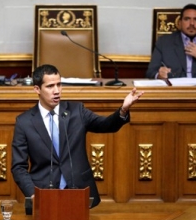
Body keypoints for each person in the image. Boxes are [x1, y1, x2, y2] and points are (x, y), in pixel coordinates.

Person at [11, 64, 144, 208]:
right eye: (50, 86)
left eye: (59, 85)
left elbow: (106, 125)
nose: (57, 91)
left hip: (78, 192)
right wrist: (33, 194)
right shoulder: (24, 122)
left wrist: (123, 110)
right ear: (37, 89)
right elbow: (18, 167)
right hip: (42, 196)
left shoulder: (77, 112)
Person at [146, 3, 196, 79]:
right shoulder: (163, 42)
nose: (192, 23)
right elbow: (150, 72)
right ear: (180, 23)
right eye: (187, 19)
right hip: (174, 92)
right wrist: (159, 75)